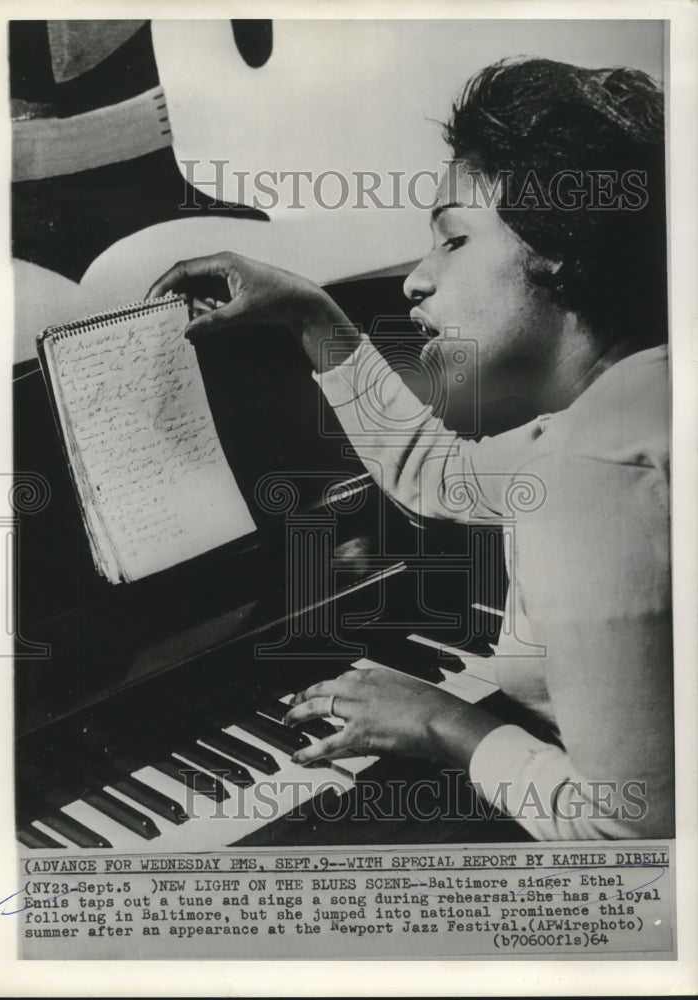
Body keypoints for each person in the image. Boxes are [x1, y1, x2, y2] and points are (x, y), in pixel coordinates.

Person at [147, 57, 672, 840]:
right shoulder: (640, 397)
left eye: (452, 240)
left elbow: (631, 837)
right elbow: (441, 477)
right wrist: (312, 317)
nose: (413, 281)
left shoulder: (591, 467)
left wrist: (444, 727)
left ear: (559, 244)